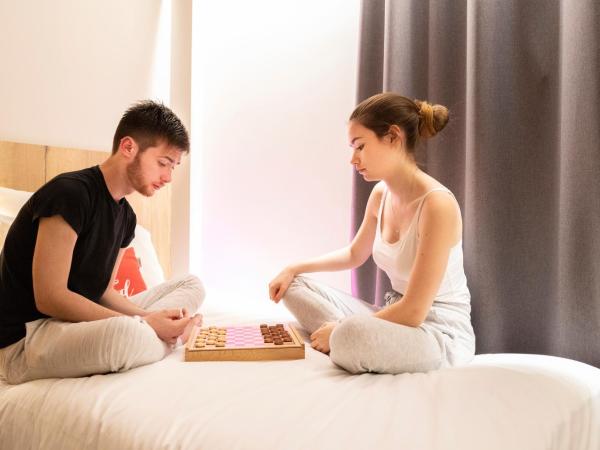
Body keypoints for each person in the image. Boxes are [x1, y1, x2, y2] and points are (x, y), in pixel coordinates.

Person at [269, 93, 475, 374]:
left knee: (351, 337)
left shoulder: (437, 204)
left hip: (436, 331)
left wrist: (341, 329)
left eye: (360, 146)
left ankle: (341, 336)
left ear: (393, 136)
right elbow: (355, 254)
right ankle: (341, 336)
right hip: (392, 315)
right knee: (293, 286)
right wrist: (294, 268)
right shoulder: (381, 194)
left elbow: (415, 311)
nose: (353, 159)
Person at [0, 100, 205, 384]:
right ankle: (163, 337)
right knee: (126, 334)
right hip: (28, 338)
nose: (168, 177)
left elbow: (103, 291)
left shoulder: (126, 217)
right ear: (129, 147)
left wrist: (152, 315)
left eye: (174, 167)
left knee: (191, 285)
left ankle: (161, 335)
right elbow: (49, 297)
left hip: (75, 326)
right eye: (163, 163)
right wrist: (143, 323)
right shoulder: (69, 194)